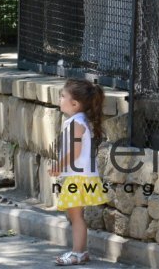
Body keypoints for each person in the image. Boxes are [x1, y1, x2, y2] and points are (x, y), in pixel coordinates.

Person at [49, 79, 106, 266]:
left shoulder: (75, 123)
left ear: (74, 103)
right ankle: (80, 251)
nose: (60, 98)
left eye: (63, 95)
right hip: (82, 176)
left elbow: (75, 150)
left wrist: (59, 166)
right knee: (76, 215)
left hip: (78, 177)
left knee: (75, 216)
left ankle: (77, 253)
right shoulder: (79, 121)